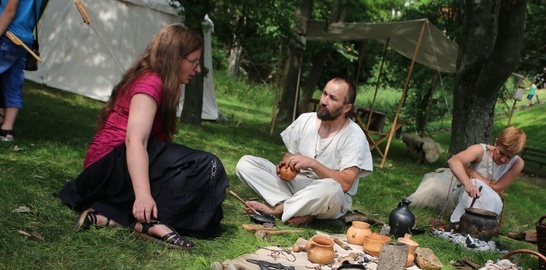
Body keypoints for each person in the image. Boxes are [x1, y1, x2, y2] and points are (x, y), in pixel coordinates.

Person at [59, 24, 229, 249]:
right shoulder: (151, 82)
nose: (197, 69)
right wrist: (143, 196)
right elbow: (135, 140)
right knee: (208, 165)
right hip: (109, 165)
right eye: (194, 61)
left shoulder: (158, 81)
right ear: (175, 57)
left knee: (211, 218)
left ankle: (113, 216)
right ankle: (149, 221)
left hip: (117, 166)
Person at [235, 77, 372, 225]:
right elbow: (289, 154)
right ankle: (304, 211)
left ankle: (279, 208)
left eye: (332, 98)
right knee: (246, 164)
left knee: (331, 188)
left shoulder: (354, 136)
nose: (324, 101)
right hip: (296, 185)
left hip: (326, 195)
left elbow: (345, 184)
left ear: (346, 108)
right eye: (324, 93)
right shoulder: (305, 120)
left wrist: (313, 164)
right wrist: (286, 165)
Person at [446, 126, 527, 224]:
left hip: (487, 203)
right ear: (496, 143)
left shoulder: (517, 163)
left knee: (483, 190)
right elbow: (453, 161)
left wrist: (471, 172)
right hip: (465, 195)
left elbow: (497, 188)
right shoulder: (480, 150)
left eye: (509, 157)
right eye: (501, 153)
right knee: (474, 183)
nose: (503, 159)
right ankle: (457, 222)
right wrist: (468, 184)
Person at [0, 0, 41, 141]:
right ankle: (7, 130)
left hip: (9, 36)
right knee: (14, 84)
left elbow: (10, 10)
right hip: (25, 39)